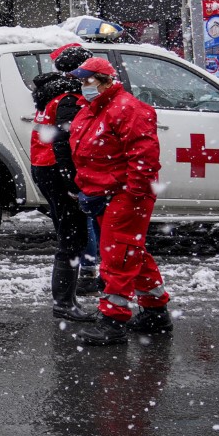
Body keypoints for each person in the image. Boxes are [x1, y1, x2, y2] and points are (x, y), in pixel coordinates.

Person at [67, 56, 170, 345]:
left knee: (117, 256)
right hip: (106, 193)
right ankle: (155, 313)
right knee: (130, 251)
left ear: (105, 81)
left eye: (88, 80)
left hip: (125, 194)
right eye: (81, 81)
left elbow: (144, 157)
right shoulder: (92, 109)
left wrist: (134, 194)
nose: (83, 86)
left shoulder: (128, 109)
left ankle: (113, 321)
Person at [28, 43, 95, 321]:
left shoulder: (53, 93)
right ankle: (64, 303)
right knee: (72, 237)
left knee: (69, 234)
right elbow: (65, 142)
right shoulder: (69, 97)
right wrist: (72, 183)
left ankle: (66, 301)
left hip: (44, 167)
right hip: (56, 171)